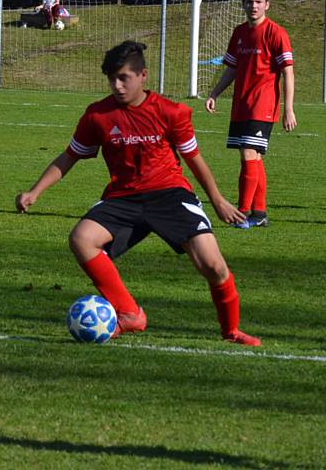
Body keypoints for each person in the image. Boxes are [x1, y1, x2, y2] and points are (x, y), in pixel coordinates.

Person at [16, 40, 261, 347]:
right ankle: (130, 313)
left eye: (124, 78)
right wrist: (35, 191)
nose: (117, 86)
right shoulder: (98, 116)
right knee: (81, 238)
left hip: (170, 194)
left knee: (213, 264)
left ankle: (231, 330)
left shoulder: (171, 112)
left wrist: (219, 200)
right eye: (112, 79)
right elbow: (70, 156)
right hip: (123, 198)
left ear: (143, 75)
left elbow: (194, 160)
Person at [205, 0, 295, 229]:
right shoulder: (239, 32)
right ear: (243, 4)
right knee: (253, 157)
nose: (253, 6)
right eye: (249, 1)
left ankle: (242, 213)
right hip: (241, 104)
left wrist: (288, 108)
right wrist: (214, 93)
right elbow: (232, 68)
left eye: (258, 2)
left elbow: (288, 71)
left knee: (248, 154)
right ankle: (260, 212)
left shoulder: (276, 33)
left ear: (267, 4)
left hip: (263, 104)